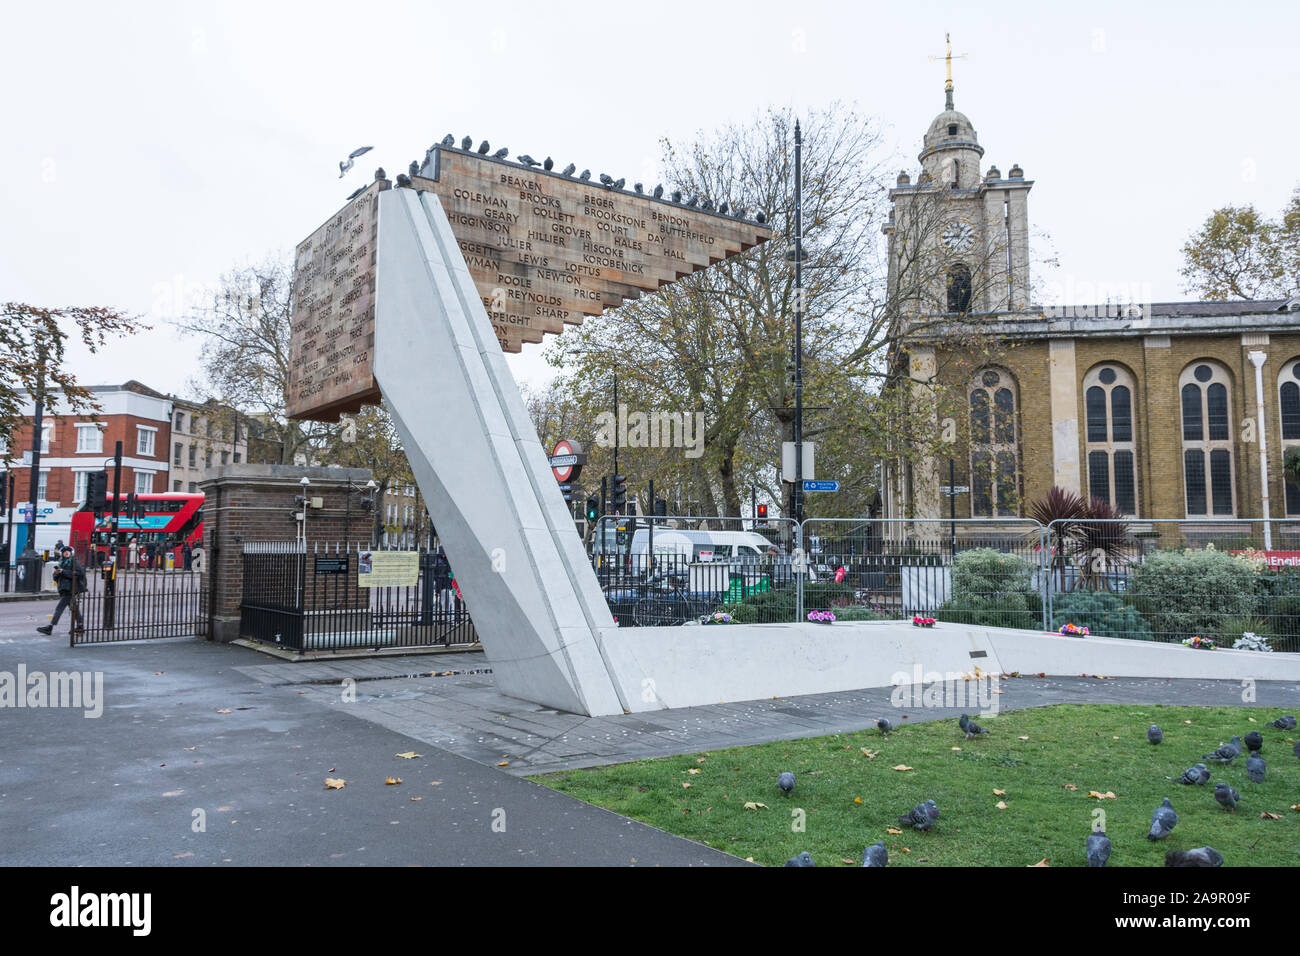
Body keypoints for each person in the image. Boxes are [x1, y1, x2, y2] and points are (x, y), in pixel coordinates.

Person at [37, 546, 85, 635]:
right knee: (74, 608)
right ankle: (80, 626)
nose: (66, 552)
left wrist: (63, 572)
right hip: (63, 588)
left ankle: (50, 627)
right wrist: (56, 574)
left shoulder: (74, 561)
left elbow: (80, 573)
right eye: (64, 551)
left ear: (71, 553)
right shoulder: (61, 562)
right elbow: (56, 578)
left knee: (59, 608)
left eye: (68, 551)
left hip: (70, 589)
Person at [432, 546, 453, 617]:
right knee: (448, 604)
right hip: (444, 586)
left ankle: (448, 619)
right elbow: (439, 577)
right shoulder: (441, 562)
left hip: (444, 586)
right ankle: (450, 619)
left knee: (442, 604)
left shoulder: (440, 561)